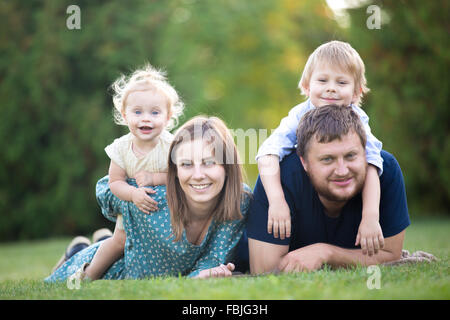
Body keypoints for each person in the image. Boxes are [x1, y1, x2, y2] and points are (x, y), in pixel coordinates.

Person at [45, 116, 251, 281]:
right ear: (175, 170)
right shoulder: (155, 197)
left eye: (209, 163)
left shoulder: (238, 201)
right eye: (187, 164)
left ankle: (86, 245)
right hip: (111, 273)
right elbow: (104, 188)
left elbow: (214, 257)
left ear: (227, 167)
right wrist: (128, 200)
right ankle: (78, 251)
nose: (198, 175)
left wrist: (201, 276)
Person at [256, 40, 384, 257]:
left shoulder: (358, 120)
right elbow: (267, 152)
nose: (331, 88)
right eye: (323, 80)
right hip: (303, 188)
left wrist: (370, 216)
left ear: (356, 92)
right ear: (306, 86)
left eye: (341, 83)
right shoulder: (299, 115)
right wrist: (277, 201)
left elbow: (371, 164)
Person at [247, 105, 411, 274]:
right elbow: (264, 270)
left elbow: (391, 255)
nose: (342, 171)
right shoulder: (279, 179)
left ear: (366, 153)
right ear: (304, 162)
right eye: (327, 159)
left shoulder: (385, 171)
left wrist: (326, 253)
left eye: (351, 156)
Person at [72, 64, 185, 281]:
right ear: (125, 115)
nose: (146, 118)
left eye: (155, 112)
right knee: (120, 240)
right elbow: (114, 182)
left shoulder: (171, 146)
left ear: (168, 117)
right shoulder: (122, 148)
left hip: (165, 211)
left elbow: (180, 176)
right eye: (137, 112)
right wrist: (133, 195)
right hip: (133, 208)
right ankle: (90, 273)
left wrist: (155, 178)